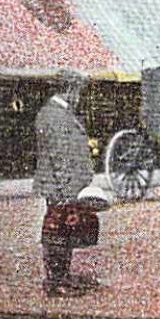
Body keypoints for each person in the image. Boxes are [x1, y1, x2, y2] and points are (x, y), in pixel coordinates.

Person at [34, 70, 99, 298]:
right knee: (58, 233)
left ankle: (62, 276)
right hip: (60, 187)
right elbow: (60, 159)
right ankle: (56, 280)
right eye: (79, 91)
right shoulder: (55, 116)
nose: (80, 96)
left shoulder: (58, 113)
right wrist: (70, 195)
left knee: (64, 231)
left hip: (62, 185)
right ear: (70, 90)